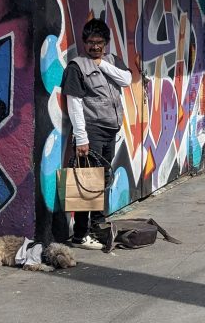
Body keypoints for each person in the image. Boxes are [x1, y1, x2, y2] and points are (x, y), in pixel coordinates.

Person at [60, 18, 132, 250]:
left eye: (100, 42)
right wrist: (81, 138)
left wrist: (101, 64)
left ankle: (98, 226)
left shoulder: (112, 61)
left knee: (102, 179)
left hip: (110, 131)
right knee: (87, 181)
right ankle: (80, 235)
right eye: (91, 42)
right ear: (84, 42)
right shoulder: (76, 67)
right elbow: (74, 103)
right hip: (92, 131)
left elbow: (127, 79)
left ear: (106, 42)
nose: (95, 46)